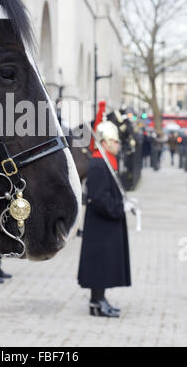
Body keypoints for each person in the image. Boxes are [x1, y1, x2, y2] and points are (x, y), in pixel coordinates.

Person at [78, 120, 132, 318]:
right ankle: (96, 302)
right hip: (101, 223)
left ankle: (99, 300)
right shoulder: (99, 164)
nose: (118, 145)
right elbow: (100, 198)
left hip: (105, 223)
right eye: (115, 142)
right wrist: (119, 208)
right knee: (99, 264)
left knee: (103, 264)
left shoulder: (106, 162)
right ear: (107, 142)